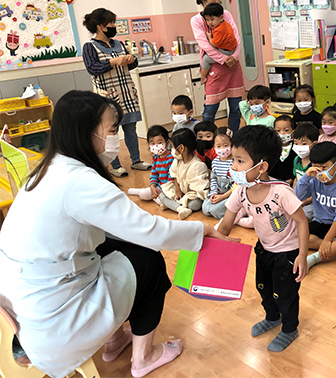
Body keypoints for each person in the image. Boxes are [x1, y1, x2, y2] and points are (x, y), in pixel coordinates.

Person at [0, 90, 236, 378]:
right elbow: (149, 230)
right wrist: (202, 230)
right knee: (150, 261)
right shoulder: (80, 182)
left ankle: (114, 339)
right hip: (52, 320)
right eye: (112, 130)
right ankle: (144, 357)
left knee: (113, 243)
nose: (116, 138)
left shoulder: (45, 171)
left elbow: (120, 228)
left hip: (21, 306)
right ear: (87, 132)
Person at [217, 125, 309, 352]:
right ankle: (272, 317)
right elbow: (226, 223)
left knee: (285, 294)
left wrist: (303, 255)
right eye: (234, 159)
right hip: (264, 248)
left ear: (262, 167)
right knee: (263, 287)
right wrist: (212, 245)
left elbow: (302, 221)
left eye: (240, 161)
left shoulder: (281, 192)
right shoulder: (240, 190)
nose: (233, 166)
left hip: (287, 252)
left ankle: (289, 328)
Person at [82, 8, 151, 177]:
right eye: (111, 23)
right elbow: (92, 68)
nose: (114, 26)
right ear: (100, 26)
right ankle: (114, 165)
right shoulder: (89, 47)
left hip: (126, 92)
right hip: (107, 96)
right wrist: (113, 61)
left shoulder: (119, 44)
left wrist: (131, 59)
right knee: (111, 132)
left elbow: (132, 65)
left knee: (131, 128)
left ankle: (136, 161)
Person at [294, 142, 336, 270]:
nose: (320, 172)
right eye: (316, 167)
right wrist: (306, 177)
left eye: (324, 167)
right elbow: (298, 196)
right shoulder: (313, 180)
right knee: (298, 236)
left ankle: (314, 258)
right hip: (321, 222)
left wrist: (327, 240)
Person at [191, 0, 244, 131]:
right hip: (215, 67)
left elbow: (236, 37)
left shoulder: (225, 14)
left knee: (236, 109)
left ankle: (233, 137)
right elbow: (205, 44)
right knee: (209, 111)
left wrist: (235, 57)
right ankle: (209, 141)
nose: (217, 1)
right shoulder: (196, 20)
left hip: (232, 65)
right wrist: (224, 60)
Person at [159, 128, 210, 220]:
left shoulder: (197, 165)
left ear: (181, 148)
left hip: (192, 194)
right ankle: (180, 208)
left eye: (173, 146)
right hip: (181, 192)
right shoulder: (177, 161)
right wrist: (178, 190)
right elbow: (174, 176)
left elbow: (198, 190)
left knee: (195, 204)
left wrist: (185, 196)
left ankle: (174, 206)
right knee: (161, 194)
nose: (171, 149)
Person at [128, 125, 173, 205]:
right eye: (152, 143)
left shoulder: (171, 157)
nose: (156, 146)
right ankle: (139, 191)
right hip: (159, 186)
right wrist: (152, 185)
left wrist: (163, 189)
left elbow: (172, 176)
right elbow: (154, 173)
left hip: (169, 187)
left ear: (167, 142)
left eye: (159, 142)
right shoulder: (155, 157)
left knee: (163, 200)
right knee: (144, 195)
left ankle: (156, 198)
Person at [199, 3, 237, 85]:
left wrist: (209, 37)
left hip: (227, 51)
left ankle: (203, 77)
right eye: (207, 20)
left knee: (205, 59)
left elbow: (214, 44)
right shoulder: (225, 24)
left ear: (221, 18)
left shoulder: (218, 30)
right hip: (231, 48)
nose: (209, 23)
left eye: (212, 19)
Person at [202, 127, 234, 219]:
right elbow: (213, 179)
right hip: (219, 193)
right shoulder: (215, 162)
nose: (222, 149)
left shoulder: (235, 162)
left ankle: (234, 213)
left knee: (216, 210)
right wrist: (213, 193)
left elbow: (236, 185)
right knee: (205, 207)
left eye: (226, 145)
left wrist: (223, 197)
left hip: (230, 194)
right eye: (218, 146)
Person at [292, 123, 320, 220]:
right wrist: (292, 194)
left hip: (312, 202)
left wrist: (305, 202)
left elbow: (319, 190)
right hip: (297, 199)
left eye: (304, 144)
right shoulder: (296, 159)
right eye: (296, 143)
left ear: (314, 143)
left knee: (302, 218)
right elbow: (296, 178)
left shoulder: (316, 165)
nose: (299, 146)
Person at [271, 115, 297, 185]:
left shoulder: (296, 149)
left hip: (290, 183)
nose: (282, 133)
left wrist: (292, 179)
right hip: (273, 183)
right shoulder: (271, 148)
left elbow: (297, 166)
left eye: (286, 130)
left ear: (293, 132)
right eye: (278, 130)